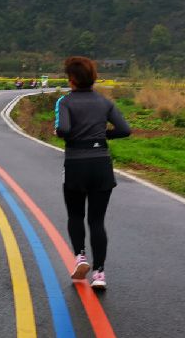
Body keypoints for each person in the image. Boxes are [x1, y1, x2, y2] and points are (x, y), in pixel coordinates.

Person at [54, 56, 131, 289]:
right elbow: (124, 130)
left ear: (72, 79)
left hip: (76, 165)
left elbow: (64, 129)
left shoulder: (65, 102)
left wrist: (63, 133)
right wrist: (101, 136)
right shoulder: (105, 103)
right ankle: (99, 274)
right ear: (93, 78)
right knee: (97, 221)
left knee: (75, 215)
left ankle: (80, 257)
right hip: (101, 165)